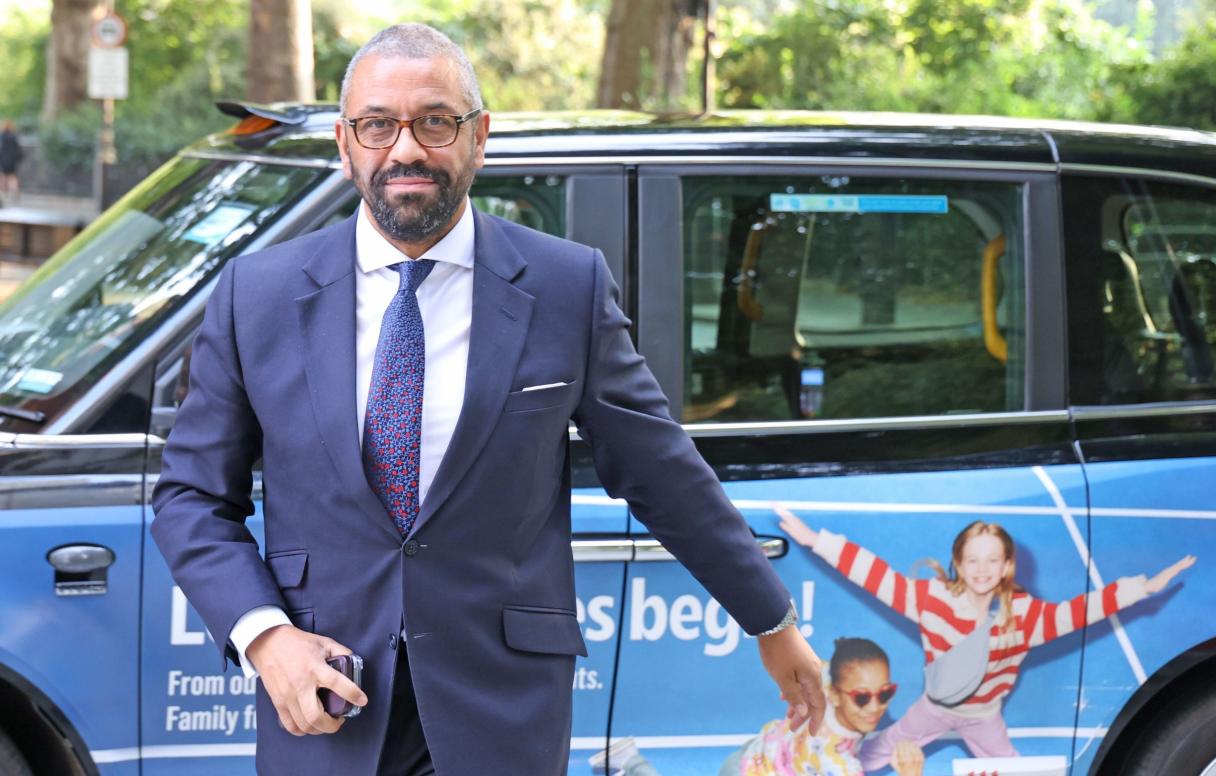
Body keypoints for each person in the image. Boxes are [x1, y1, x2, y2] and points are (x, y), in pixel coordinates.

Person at [150, 22, 824, 776]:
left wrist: (771, 619)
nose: (406, 149)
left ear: (479, 137)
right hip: (325, 703)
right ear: (345, 144)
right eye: (378, 125)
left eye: (436, 122)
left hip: (501, 708)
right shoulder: (258, 295)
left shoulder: (564, 287)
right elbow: (190, 498)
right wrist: (267, 637)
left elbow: (660, 471)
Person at [776, 506, 1195, 769]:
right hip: (933, 708)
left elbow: (1079, 612)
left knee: (1008, 766)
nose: (982, 569)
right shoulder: (932, 600)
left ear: (1007, 565)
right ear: (957, 562)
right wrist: (816, 541)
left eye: (992, 560)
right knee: (873, 753)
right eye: (973, 560)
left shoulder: (1023, 616)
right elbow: (877, 576)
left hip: (985, 717)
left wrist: (1143, 586)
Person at [599, 637, 925, 776]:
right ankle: (630, 763)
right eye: (863, 697)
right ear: (838, 694)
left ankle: (628, 761)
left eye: (885, 693)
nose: (875, 706)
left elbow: (819, 668)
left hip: (751, 755)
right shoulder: (840, 765)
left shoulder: (827, 680)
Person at [0, 121, 21, 200]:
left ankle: (2, 194)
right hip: (12, 161)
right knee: (12, 177)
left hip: (3, 160)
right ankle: (14, 192)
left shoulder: (2, 137)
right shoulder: (14, 137)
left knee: (2, 177)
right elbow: (19, 150)